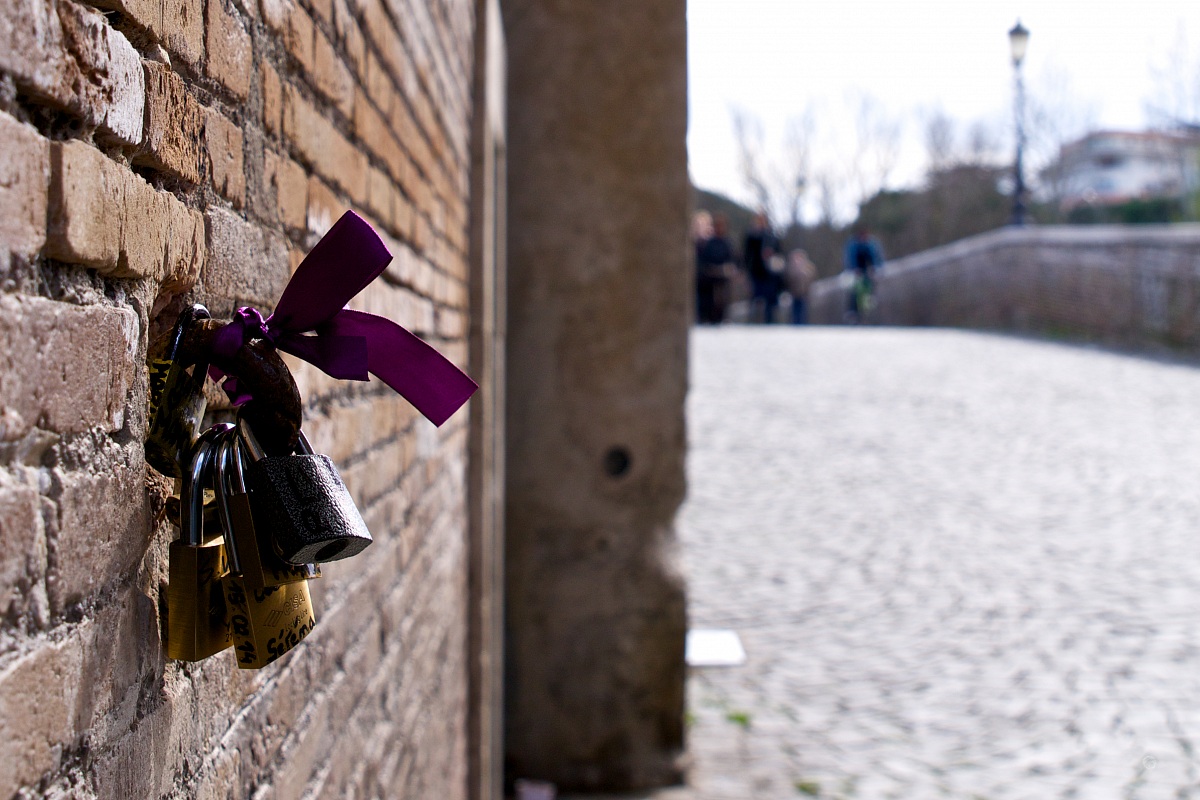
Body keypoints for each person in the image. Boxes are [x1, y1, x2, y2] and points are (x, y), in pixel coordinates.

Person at [695, 213, 736, 324]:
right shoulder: (709, 244)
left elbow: (733, 260)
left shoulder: (728, 243)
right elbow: (704, 261)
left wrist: (728, 269)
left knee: (722, 299)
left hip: (723, 279)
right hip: (709, 279)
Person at [743, 212, 782, 324]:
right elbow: (747, 254)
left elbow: (779, 252)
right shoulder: (752, 236)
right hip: (756, 270)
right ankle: (753, 321)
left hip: (770, 272)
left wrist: (771, 254)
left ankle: (769, 321)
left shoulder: (772, 236)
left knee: (770, 298)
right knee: (755, 297)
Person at [843, 225, 884, 322]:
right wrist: (854, 269)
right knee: (855, 290)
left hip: (866, 270)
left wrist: (876, 268)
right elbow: (850, 258)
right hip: (855, 271)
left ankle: (868, 309)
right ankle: (852, 312)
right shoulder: (853, 244)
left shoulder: (871, 244)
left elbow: (876, 258)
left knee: (869, 288)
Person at [783, 249, 818, 324]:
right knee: (795, 309)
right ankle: (795, 323)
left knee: (804, 310)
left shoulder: (808, 267)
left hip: (804, 293)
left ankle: (803, 323)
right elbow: (788, 280)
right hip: (795, 293)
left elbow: (811, 279)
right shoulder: (791, 268)